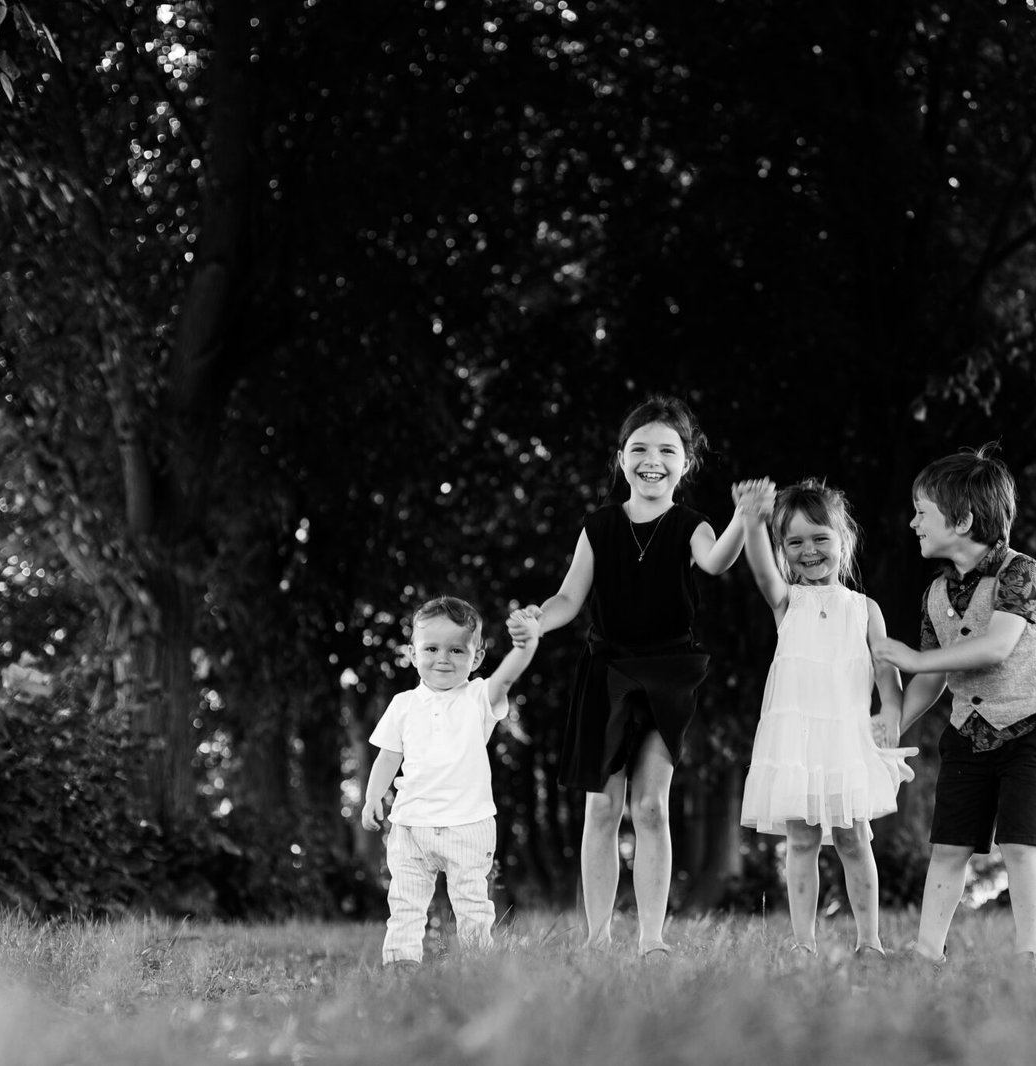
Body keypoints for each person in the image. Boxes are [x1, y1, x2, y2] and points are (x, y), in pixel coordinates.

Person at [509, 395, 747, 956]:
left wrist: (745, 518)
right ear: (621, 458)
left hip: (668, 674)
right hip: (606, 672)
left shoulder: (693, 525)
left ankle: (651, 938)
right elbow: (569, 596)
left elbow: (716, 563)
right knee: (602, 806)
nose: (652, 460)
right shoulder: (598, 527)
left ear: (684, 463)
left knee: (650, 806)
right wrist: (536, 620)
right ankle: (596, 937)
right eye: (639, 448)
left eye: (667, 450)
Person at [871, 447, 1036, 978]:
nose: (912, 522)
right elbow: (933, 677)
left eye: (921, 511)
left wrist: (912, 657)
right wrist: (891, 725)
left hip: (1030, 725)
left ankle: (1030, 953)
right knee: (949, 845)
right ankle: (926, 952)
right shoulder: (936, 592)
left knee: (1021, 844)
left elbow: (996, 647)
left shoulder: (1020, 572)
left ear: (960, 520)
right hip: (967, 731)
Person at [734, 477, 914, 958]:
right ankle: (803, 942)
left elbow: (884, 668)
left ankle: (870, 941)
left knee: (855, 839)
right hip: (795, 741)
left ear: (844, 541)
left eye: (820, 539)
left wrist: (890, 713)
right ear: (782, 549)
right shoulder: (787, 602)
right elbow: (760, 570)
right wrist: (753, 520)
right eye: (794, 542)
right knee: (801, 840)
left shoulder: (865, 609)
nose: (809, 551)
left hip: (845, 740)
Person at [362, 596, 541, 966]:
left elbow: (506, 676)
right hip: (411, 826)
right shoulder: (403, 705)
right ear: (412, 653)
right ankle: (401, 964)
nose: (443, 658)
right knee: (405, 902)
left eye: (457, 650)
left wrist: (527, 646)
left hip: (469, 825)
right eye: (431, 648)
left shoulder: (478, 698)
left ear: (475, 658)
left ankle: (477, 965)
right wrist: (372, 797)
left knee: (473, 903)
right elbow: (388, 757)